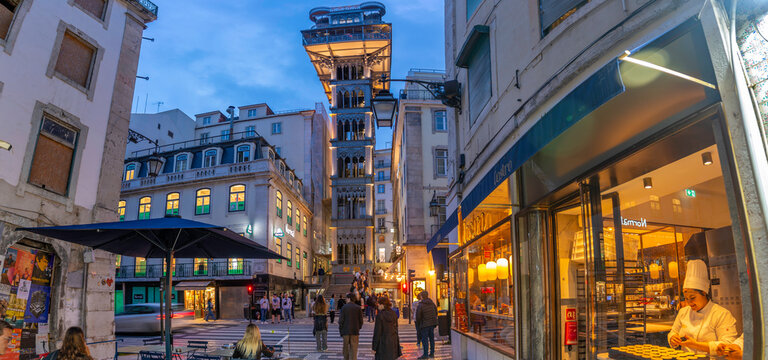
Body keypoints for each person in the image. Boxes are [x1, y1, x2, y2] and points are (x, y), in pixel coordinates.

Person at [668, 259, 738, 355]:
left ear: (704, 293)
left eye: (692, 298)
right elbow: (673, 332)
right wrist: (673, 338)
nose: (689, 302)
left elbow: (728, 345)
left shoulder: (721, 314)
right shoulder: (683, 312)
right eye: (686, 298)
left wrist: (696, 345)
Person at [339, 292, 363, 360]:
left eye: (346, 298)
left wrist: (341, 330)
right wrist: (358, 327)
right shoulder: (358, 308)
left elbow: (341, 321)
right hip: (355, 331)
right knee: (354, 349)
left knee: (345, 349)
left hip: (345, 331)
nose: (346, 300)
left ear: (349, 298)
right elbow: (361, 321)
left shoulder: (344, 307)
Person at [415, 291, 438, 359]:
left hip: (424, 324)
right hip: (432, 323)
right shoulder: (432, 303)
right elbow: (436, 312)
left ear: (422, 296)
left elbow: (418, 316)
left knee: (425, 339)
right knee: (431, 338)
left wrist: (419, 324)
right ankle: (432, 353)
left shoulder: (421, 305)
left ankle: (425, 354)